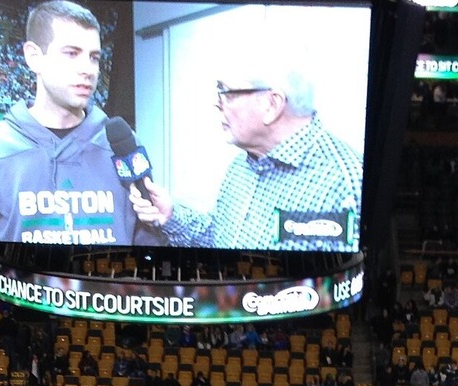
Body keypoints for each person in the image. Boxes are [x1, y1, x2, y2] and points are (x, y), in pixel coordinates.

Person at [0, 0, 156, 246]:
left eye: (94, 57)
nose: (88, 69)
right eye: (71, 53)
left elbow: (149, 246)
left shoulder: (124, 146)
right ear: (34, 57)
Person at [130, 61, 363, 253]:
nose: (216, 102)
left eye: (226, 93)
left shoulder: (345, 185)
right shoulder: (240, 167)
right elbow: (219, 240)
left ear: (272, 104)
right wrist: (171, 216)